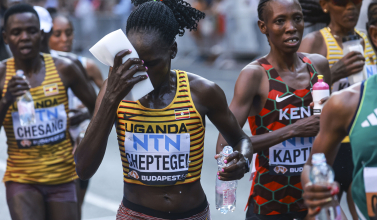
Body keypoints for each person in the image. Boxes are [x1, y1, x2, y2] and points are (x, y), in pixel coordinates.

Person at [74, 0, 253, 219]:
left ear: (173, 51)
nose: (144, 73)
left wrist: (242, 160)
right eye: (136, 63)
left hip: (192, 214)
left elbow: (241, 140)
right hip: (136, 214)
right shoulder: (116, 92)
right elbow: (83, 168)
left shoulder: (203, 92)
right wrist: (111, 99)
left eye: (152, 63)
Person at [0, 4, 96, 220]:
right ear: (5, 37)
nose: (24, 37)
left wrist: (83, 136)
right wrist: (6, 101)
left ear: (41, 34)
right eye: (16, 32)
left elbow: (99, 110)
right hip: (22, 179)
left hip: (63, 177)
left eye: (31, 31)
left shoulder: (65, 68)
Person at [215, 0, 332, 219]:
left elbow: (332, 129)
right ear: (263, 27)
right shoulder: (255, 75)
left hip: (316, 201)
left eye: (297, 18)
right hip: (269, 204)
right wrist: (292, 130)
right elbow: (225, 145)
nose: (291, 27)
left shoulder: (319, 66)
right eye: (280, 21)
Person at [298, 1, 377, 218]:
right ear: (325, 5)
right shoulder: (315, 42)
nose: (350, 8)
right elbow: (292, 96)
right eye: (342, 2)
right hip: (333, 144)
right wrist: (335, 72)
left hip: (364, 142)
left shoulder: (368, 40)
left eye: (356, 2)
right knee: (323, 212)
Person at [35, 6, 102, 217]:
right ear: (46, 36)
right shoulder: (39, 66)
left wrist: (86, 117)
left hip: (81, 144)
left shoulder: (87, 66)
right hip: (51, 145)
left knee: (74, 209)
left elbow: (107, 104)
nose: (65, 39)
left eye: (69, 32)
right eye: (58, 34)